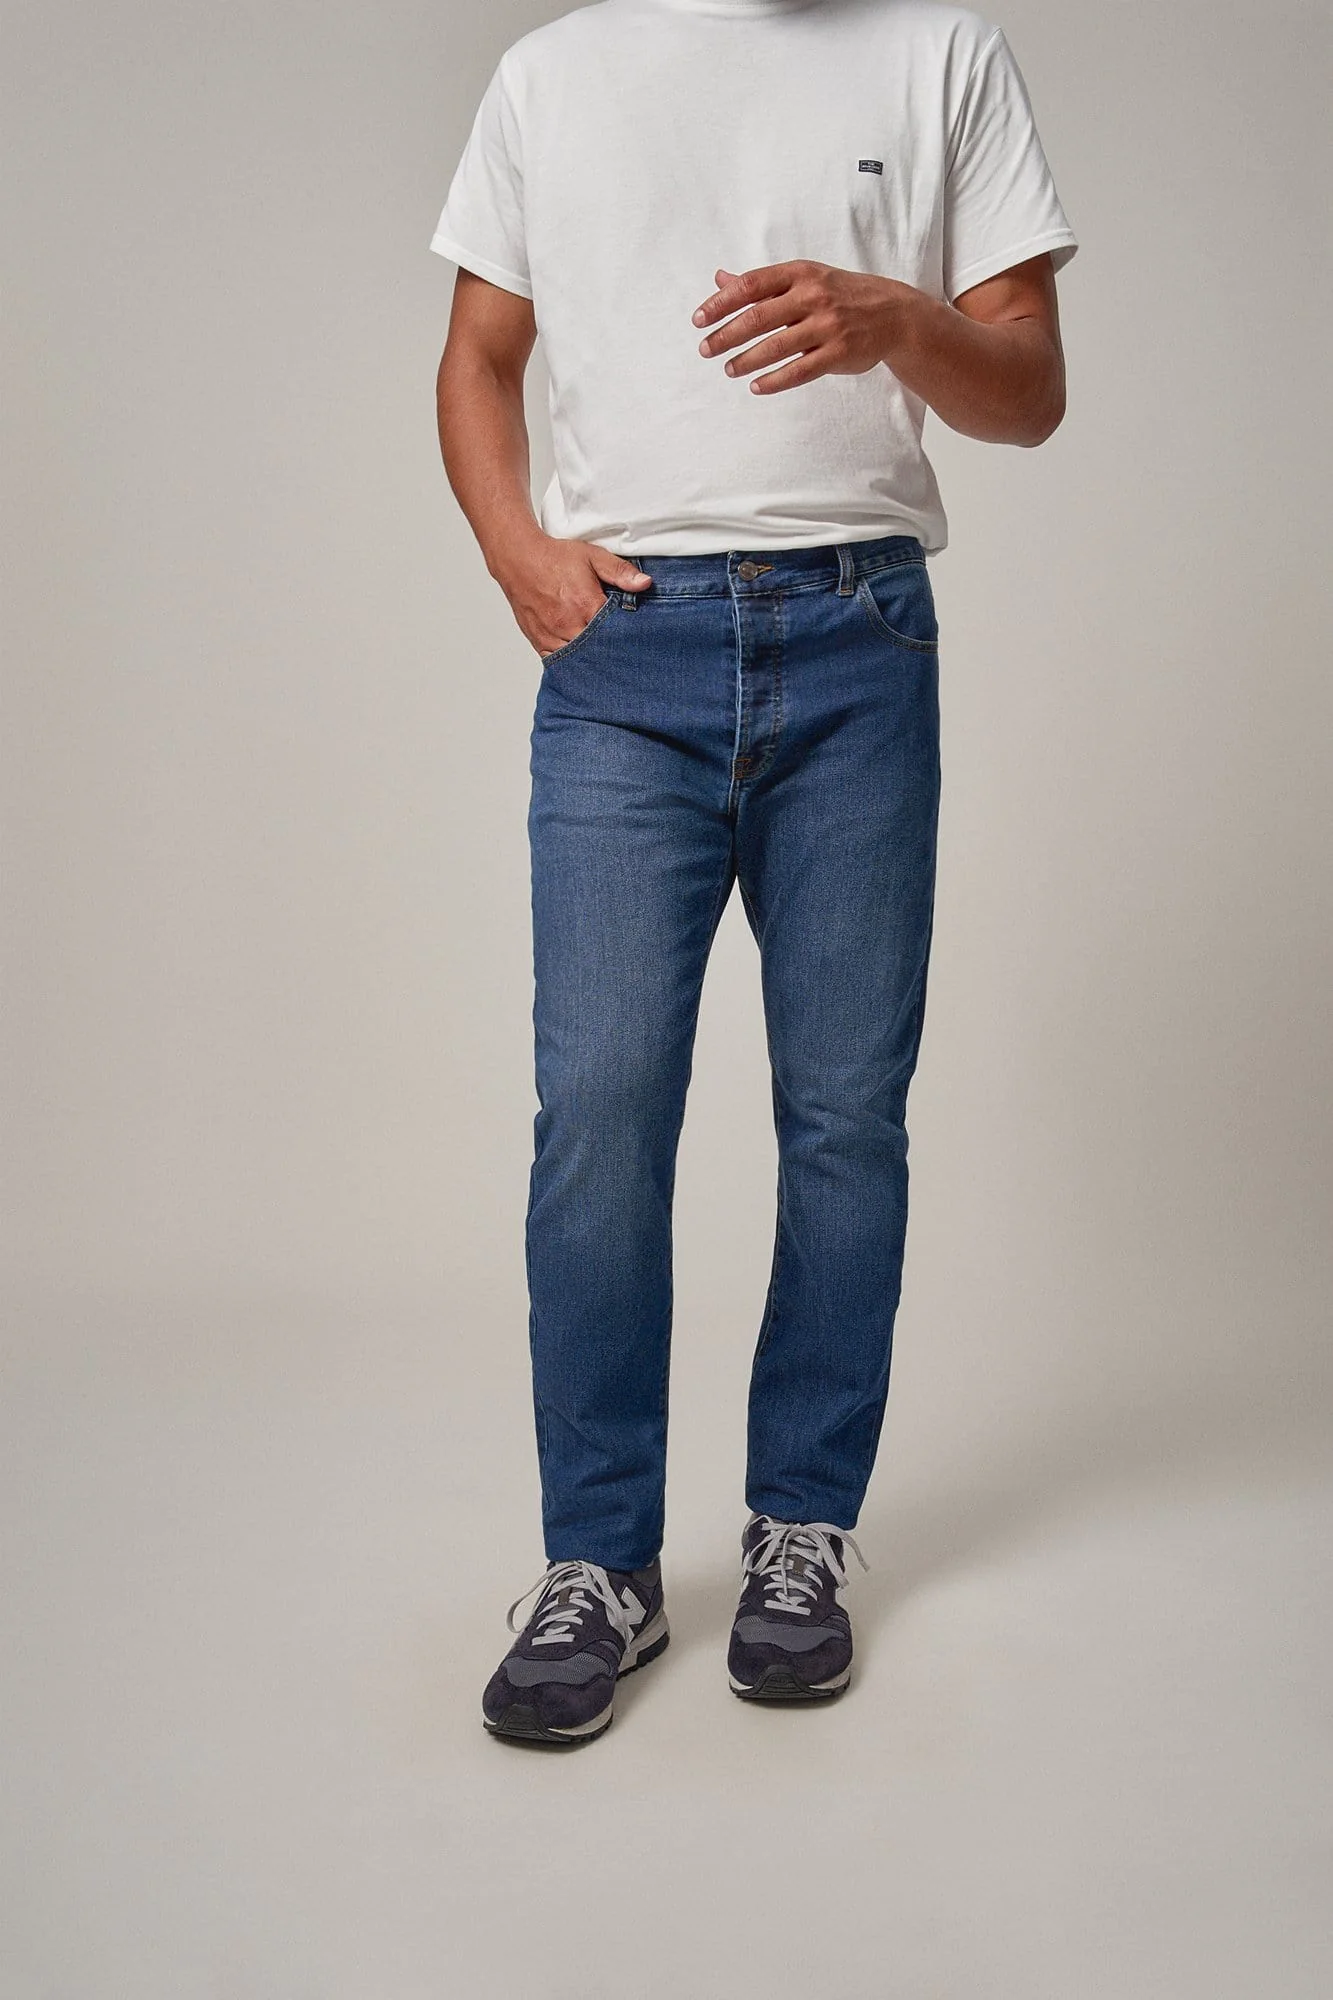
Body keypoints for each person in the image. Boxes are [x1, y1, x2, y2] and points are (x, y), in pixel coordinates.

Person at [430, 0, 1077, 1745]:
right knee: (601, 1108)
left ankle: (803, 1532)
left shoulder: (941, 54)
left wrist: (900, 319)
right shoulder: (551, 74)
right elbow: (479, 355)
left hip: (857, 638)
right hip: (625, 656)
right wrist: (519, 556)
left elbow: (1031, 391)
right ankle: (600, 1566)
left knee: (846, 1113)